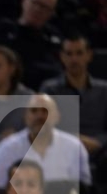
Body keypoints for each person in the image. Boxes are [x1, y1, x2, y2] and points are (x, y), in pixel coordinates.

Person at [0, 92, 91, 188]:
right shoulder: (6, 149)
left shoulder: (74, 148)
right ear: (25, 117)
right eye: (34, 111)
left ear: (57, 116)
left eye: (45, 111)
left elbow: (84, 192)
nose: (39, 116)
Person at [40, 34, 107, 164]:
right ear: (62, 57)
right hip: (60, 150)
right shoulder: (50, 89)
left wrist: (99, 142)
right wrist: (76, 140)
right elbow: (44, 125)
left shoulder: (104, 90)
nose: (74, 59)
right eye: (69, 54)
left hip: (99, 152)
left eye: (79, 53)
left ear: (89, 55)